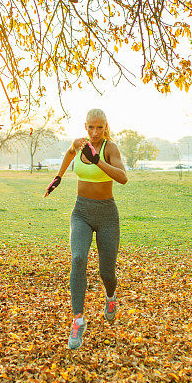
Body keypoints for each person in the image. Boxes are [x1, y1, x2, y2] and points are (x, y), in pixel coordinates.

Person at [44, 109, 128, 350]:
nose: (94, 133)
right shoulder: (80, 144)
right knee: (78, 258)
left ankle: (110, 297)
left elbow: (123, 178)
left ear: (105, 127)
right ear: (85, 126)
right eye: (90, 127)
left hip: (107, 216)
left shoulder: (110, 148)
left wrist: (97, 160)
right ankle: (78, 320)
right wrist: (58, 177)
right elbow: (70, 154)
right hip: (81, 212)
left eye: (99, 127)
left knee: (106, 272)